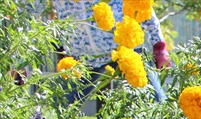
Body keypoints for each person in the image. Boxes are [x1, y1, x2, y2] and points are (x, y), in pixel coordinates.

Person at [38, 0, 169, 104]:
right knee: (61, 109)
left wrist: (159, 45)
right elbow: (30, 9)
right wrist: (17, 62)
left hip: (125, 48)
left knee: (156, 102)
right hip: (82, 58)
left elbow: (141, 5)